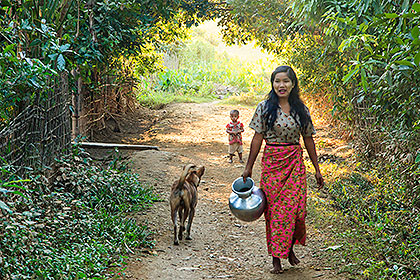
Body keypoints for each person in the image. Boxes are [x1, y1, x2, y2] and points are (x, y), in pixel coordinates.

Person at [241, 66, 324, 274]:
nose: (281, 85)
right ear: (272, 84)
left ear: (293, 84)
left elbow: (308, 139)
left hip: (295, 163)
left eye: (286, 81)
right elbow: (257, 138)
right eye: (277, 81)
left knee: (296, 210)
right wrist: (248, 167)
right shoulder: (264, 108)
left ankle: (289, 249)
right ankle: (276, 257)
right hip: (272, 164)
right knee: (275, 212)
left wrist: (317, 169)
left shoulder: (301, 110)